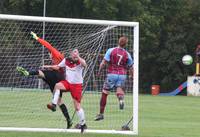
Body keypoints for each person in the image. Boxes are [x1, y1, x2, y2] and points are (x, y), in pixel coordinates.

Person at [16, 32, 72, 128]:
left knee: (40, 72)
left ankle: (27, 73)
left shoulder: (55, 53)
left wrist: (37, 38)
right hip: (59, 81)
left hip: (56, 77)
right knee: (59, 100)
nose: (49, 56)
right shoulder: (61, 58)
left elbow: (48, 45)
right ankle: (68, 120)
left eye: (49, 54)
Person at [43, 49, 87, 133]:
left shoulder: (80, 61)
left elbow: (85, 65)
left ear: (78, 54)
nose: (75, 55)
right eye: (73, 53)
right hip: (67, 83)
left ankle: (83, 124)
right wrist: (47, 67)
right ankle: (54, 105)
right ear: (70, 54)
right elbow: (57, 67)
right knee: (57, 86)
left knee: (77, 107)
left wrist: (78, 57)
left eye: (76, 53)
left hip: (76, 86)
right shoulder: (66, 60)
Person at [94, 36, 133, 121]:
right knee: (119, 90)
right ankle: (121, 100)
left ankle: (101, 114)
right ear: (125, 44)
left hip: (112, 74)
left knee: (105, 93)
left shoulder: (111, 50)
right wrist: (132, 76)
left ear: (118, 42)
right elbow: (131, 67)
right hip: (122, 75)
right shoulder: (127, 54)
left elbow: (103, 63)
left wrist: (99, 72)